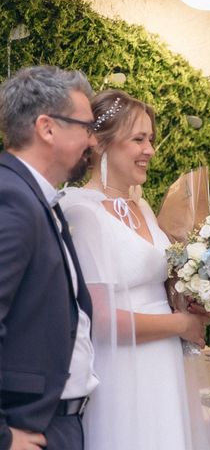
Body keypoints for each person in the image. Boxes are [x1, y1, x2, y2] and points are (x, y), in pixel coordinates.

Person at [59, 89, 210, 450]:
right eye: (139, 139)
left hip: (164, 365)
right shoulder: (82, 212)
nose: (150, 150)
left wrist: (191, 300)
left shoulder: (142, 209)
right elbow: (96, 317)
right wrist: (180, 325)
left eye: (152, 139)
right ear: (99, 143)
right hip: (121, 371)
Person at [0, 66, 98, 449]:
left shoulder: (37, 198)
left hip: (57, 422)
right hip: (29, 427)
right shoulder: (13, 200)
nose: (92, 141)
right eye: (86, 127)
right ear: (47, 127)